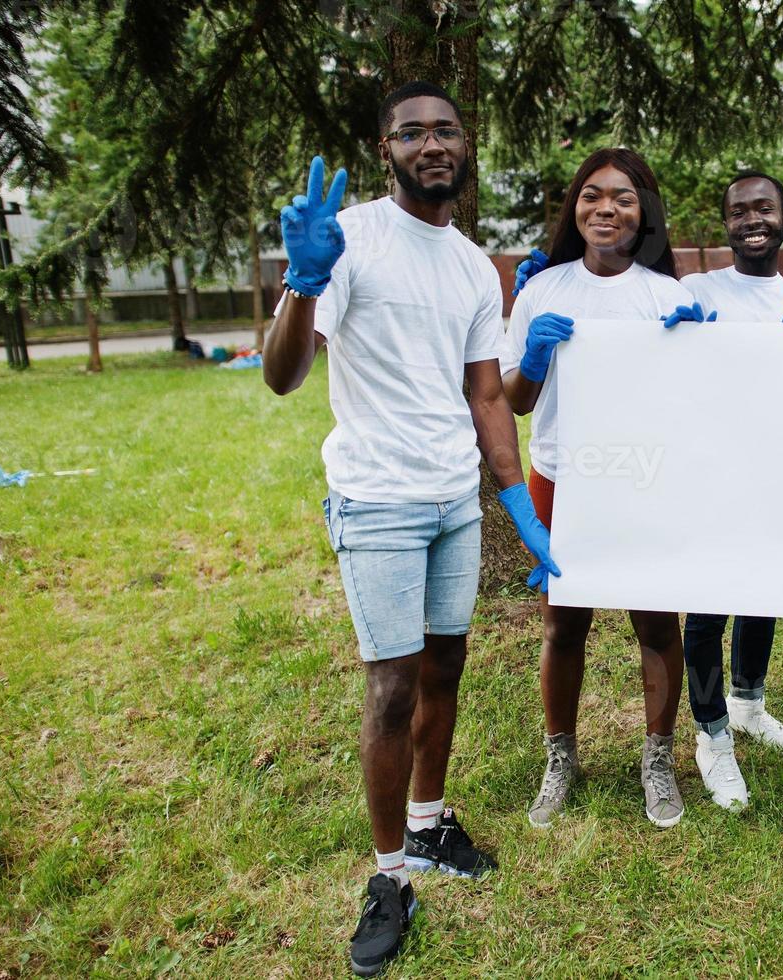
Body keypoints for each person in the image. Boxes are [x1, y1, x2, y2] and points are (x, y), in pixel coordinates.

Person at [263, 81, 559, 978]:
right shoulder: (349, 235)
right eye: (412, 133)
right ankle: (389, 876)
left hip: (452, 502)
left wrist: (518, 510)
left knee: (446, 666)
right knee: (392, 689)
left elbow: (483, 396)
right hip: (378, 498)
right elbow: (281, 377)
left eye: (447, 131)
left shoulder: (475, 265)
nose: (433, 144)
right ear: (385, 147)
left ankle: (429, 826)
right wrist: (301, 285)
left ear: (466, 146)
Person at [501, 147, 710, 831]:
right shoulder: (541, 290)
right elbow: (514, 400)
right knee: (565, 624)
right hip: (561, 477)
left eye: (621, 197)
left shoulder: (669, 295)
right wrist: (532, 355)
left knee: (655, 624)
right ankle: (560, 756)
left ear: (643, 211)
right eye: (591, 195)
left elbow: (699, 408)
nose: (605, 208)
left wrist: (697, 350)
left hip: (644, 480)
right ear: (574, 207)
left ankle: (657, 757)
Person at [666, 170, 783, 810]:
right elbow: (669, 376)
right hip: (713, 477)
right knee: (708, 612)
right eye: (740, 211)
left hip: (780, 477)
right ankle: (712, 740)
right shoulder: (698, 288)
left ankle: (748, 706)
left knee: (763, 591)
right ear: (726, 223)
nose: (753, 219)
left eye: (765, 208)